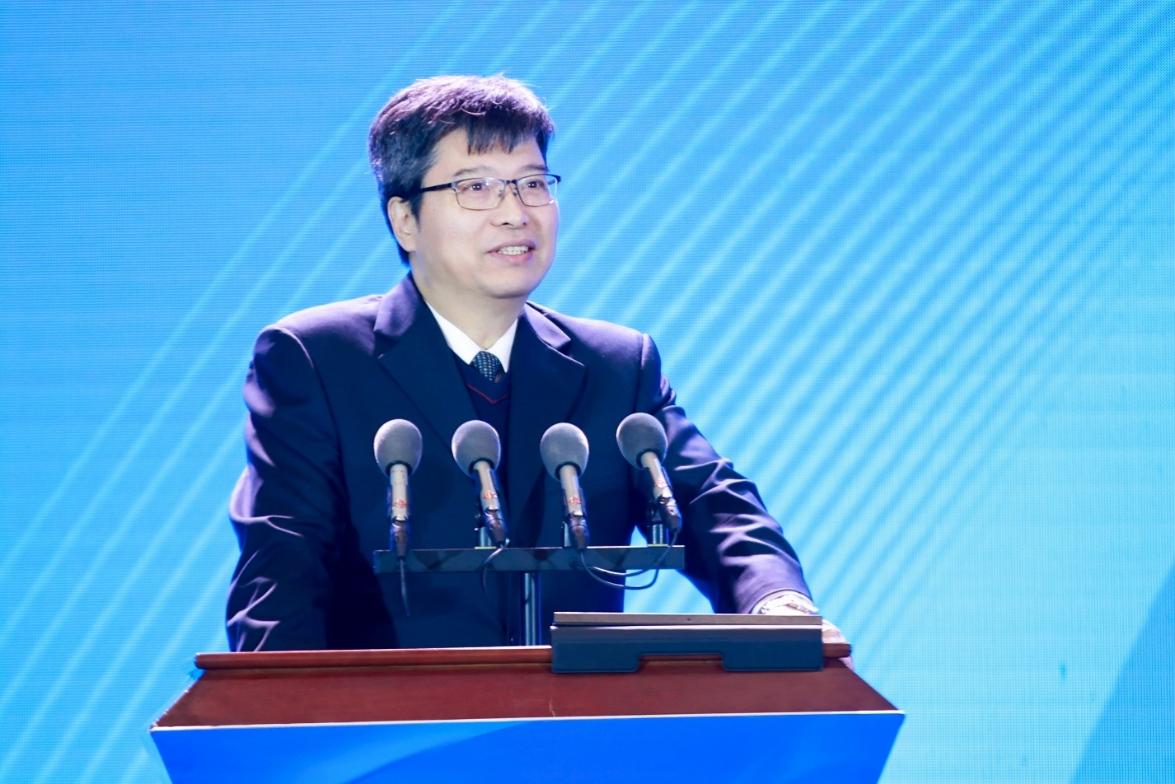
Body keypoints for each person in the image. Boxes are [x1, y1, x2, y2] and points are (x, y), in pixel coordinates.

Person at [226, 74, 836, 652]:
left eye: (533, 184)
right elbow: (281, 564)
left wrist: (776, 600)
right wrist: (282, 708)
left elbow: (712, 504)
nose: (515, 212)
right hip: (390, 721)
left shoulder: (616, 366)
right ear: (405, 219)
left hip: (578, 717)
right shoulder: (317, 359)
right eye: (476, 187)